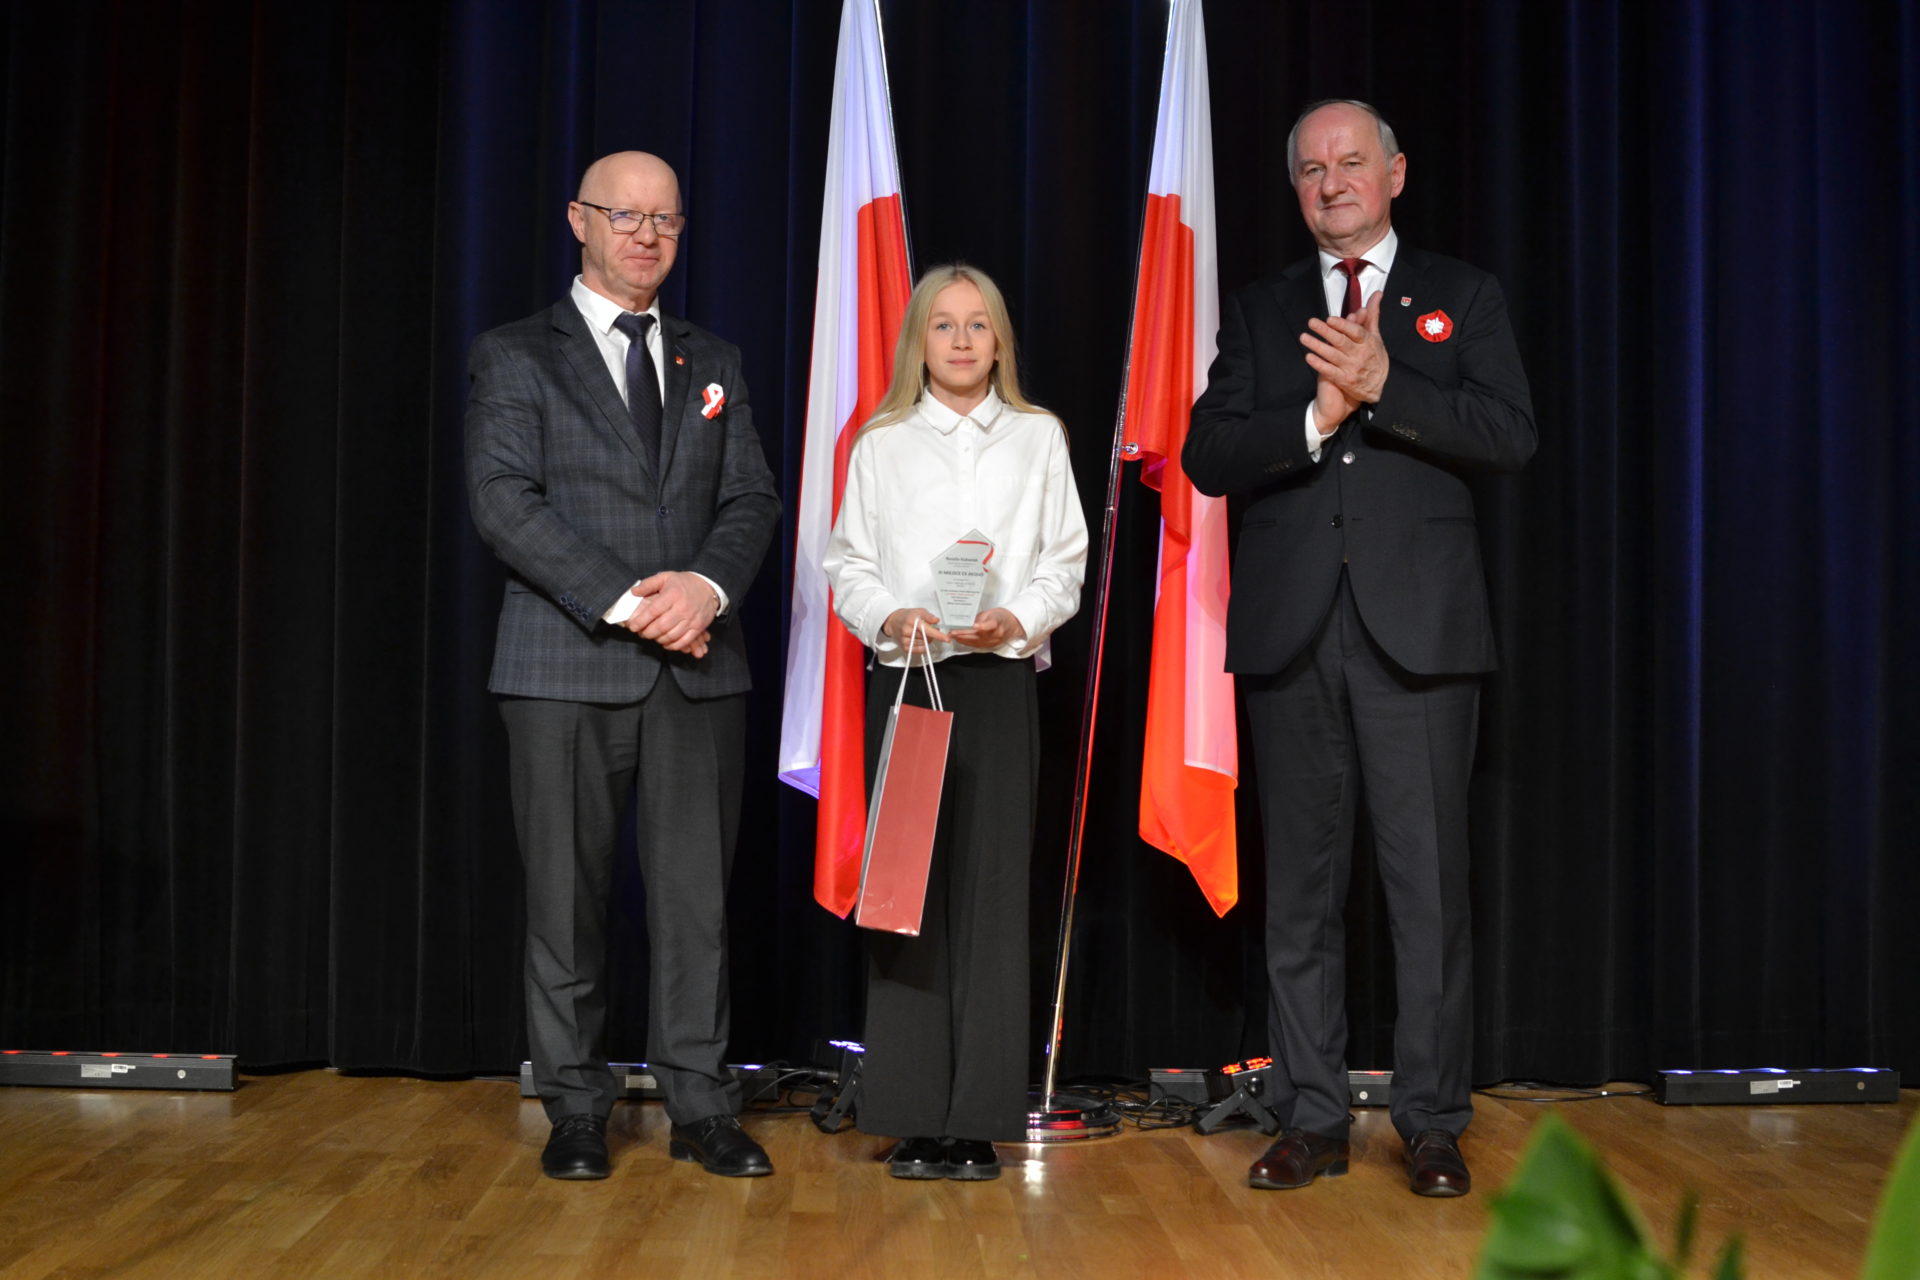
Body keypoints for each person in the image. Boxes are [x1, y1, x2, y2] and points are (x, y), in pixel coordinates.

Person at [1184, 100, 1535, 1197]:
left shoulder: (1461, 294)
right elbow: (1207, 453)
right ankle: (1311, 1117)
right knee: (1300, 897)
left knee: (1427, 894)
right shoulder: (1263, 308)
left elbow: (1509, 434)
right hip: (1293, 636)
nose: (1331, 182)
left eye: (1350, 162)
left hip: (1420, 638)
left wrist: (1387, 388)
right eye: (1310, 169)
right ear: (1295, 188)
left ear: (1395, 173)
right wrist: (1315, 420)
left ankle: (1431, 1123)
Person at [465, 151, 781, 1181]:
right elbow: (504, 500)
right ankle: (574, 1110)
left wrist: (707, 589)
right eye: (626, 216)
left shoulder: (713, 357)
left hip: (700, 667)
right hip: (565, 667)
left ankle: (702, 1105)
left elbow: (751, 499)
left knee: (697, 908)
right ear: (579, 220)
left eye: (666, 220)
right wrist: (636, 603)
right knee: (565, 905)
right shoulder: (516, 354)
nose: (647, 235)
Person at [823, 264, 1087, 1182]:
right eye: (945, 325)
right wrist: (890, 615)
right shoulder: (883, 443)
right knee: (907, 898)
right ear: (919, 342)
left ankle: (976, 1119)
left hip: (1000, 684)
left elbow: (1065, 562)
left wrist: (1019, 617)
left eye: (980, 324)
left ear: (1000, 340)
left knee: (992, 897)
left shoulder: (1038, 436)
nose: (964, 340)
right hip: (912, 682)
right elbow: (848, 563)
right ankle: (909, 1113)